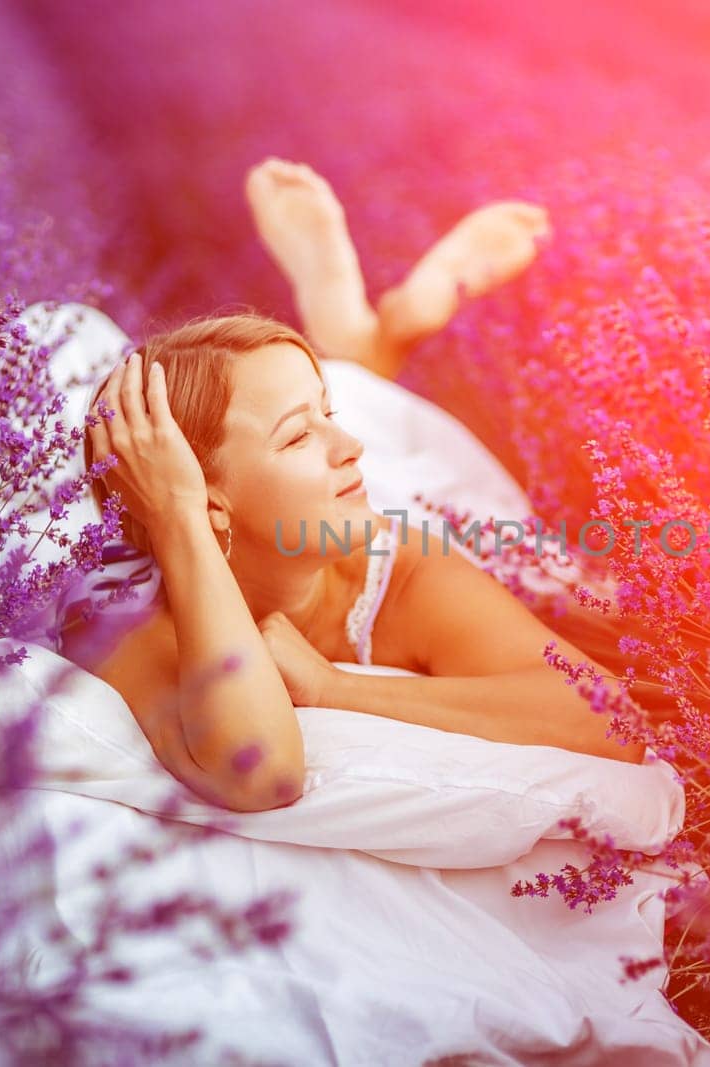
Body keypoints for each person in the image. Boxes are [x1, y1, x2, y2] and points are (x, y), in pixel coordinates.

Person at [77, 159, 653, 815]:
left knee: (577, 585)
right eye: (299, 438)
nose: (349, 447)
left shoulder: (397, 564)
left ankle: (365, 352)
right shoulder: (134, 624)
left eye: (329, 420)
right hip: (272, 512)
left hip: (397, 510)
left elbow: (614, 719)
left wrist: (332, 687)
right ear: (200, 496)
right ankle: (359, 350)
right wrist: (180, 519)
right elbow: (261, 774)